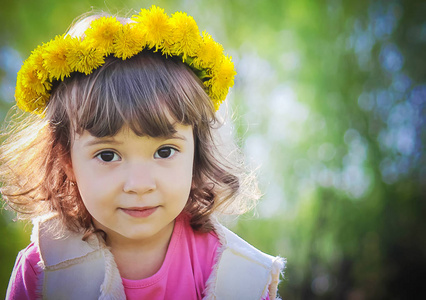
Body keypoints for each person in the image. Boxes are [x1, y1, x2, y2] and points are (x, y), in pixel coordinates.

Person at [1, 5, 285, 300]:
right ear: (66, 159)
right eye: (108, 155)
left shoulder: (235, 273)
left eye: (164, 151)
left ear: (196, 152)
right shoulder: (44, 271)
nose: (139, 184)